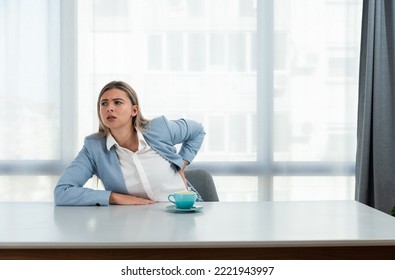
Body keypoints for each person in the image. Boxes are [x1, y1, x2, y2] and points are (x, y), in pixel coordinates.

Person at [54, 81, 205, 206]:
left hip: (183, 212)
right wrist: (114, 198)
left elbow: (197, 130)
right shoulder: (94, 148)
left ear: (134, 110)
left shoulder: (159, 129)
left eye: (117, 102)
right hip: (134, 222)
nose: (109, 108)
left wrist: (183, 164)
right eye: (104, 104)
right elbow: (63, 192)